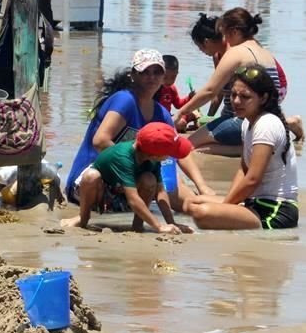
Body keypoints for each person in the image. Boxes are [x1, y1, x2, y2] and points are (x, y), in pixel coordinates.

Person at [65, 48, 215, 212]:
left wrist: (202, 186)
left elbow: (178, 148)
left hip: (130, 180)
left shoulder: (161, 113)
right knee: (152, 177)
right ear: (133, 75)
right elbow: (100, 141)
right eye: (145, 72)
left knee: (183, 196)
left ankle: (222, 207)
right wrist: (140, 163)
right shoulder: (125, 100)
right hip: (93, 180)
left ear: (163, 77)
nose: (152, 77)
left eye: (157, 72)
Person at [183, 66, 299, 230]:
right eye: (233, 95)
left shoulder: (266, 124)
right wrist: (229, 205)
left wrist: (225, 208)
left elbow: (252, 179)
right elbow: (243, 170)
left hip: (275, 209)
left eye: (245, 97)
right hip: (253, 202)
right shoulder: (247, 123)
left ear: (263, 98)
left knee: (201, 213)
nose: (236, 101)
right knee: (190, 202)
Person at [177, 10, 303, 155]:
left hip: (249, 120)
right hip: (268, 116)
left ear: (234, 32)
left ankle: (252, 145)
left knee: (189, 146)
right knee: (203, 146)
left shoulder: (236, 52)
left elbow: (210, 91)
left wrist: (180, 113)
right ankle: (257, 144)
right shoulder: (262, 49)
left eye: (224, 33)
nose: (224, 38)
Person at [61, 123, 194, 234]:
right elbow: (133, 199)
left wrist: (171, 223)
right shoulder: (123, 157)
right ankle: (83, 218)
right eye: (170, 153)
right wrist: (158, 226)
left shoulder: (152, 158)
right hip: (99, 191)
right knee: (91, 176)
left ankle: (137, 225)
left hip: (121, 191)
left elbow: (160, 192)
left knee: (149, 179)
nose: (170, 157)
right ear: (155, 155)